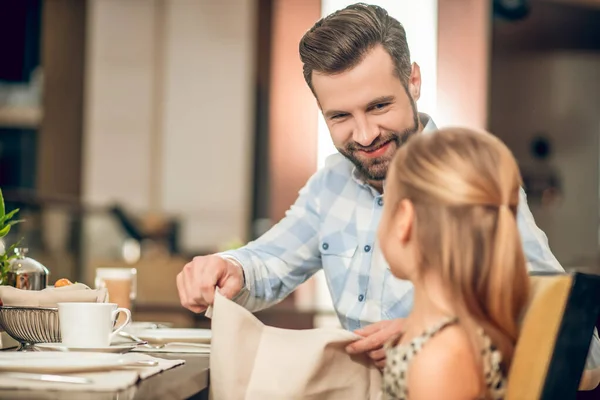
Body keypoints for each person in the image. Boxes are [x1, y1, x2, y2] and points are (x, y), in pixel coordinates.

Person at [177, 2, 600, 376]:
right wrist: (228, 267)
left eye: (379, 106)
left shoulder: (470, 182)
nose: (364, 135)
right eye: (340, 116)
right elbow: (266, 261)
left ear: (413, 81)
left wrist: (437, 335)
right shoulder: (330, 185)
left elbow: (579, 347)